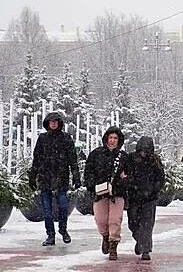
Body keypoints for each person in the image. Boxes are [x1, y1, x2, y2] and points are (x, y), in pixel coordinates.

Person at [29, 112, 81, 246]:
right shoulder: (42, 138)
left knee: (63, 207)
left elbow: (72, 159)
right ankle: (50, 235)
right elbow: (37, 159)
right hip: (45, 178)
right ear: (47, 123)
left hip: (61, 178)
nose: (53, 123)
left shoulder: (66, 138)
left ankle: (63, 230)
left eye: (55, 121)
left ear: (59, 123)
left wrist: (76, 177)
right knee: (47, 210)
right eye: (51, 121)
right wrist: (32, 176)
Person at [83, 126, 128, 260]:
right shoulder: (96, 154)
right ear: (106, 138)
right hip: (100, 192)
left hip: (117, 193)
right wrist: (93, 185)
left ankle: (113, 245)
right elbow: (88, 171)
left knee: (115, 220)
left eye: (115, 138)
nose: (113, 140)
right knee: (101, 219)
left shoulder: (123, 157)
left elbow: (130, 174)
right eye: (111, 138)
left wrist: (123, 180)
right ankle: (105, 236)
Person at [125, 136, 165, 261]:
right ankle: (140, 240)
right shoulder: (131, 159)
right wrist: (130, 184)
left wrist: (155, 190)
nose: (143, 153)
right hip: (134, 197)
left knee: (147, 225)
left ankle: (146, 249)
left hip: (150, 198)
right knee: (133, 223)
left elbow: (160, 177)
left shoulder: (155, 160)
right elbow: (126, 174)